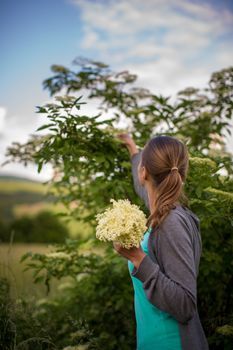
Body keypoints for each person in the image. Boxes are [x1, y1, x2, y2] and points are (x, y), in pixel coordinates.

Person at [113, 134, 209, 350]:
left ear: (144, 172)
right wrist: (133, 149)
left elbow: (185, 304)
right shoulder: (163, 212)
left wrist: (138, 258)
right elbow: (146, 189)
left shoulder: (171, 222)